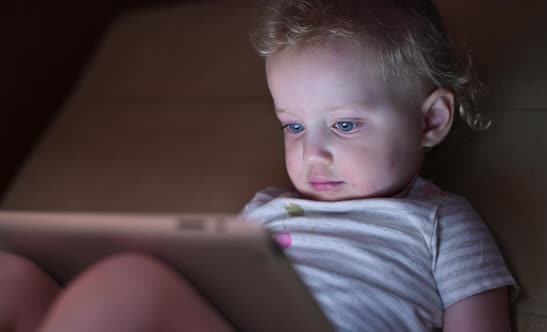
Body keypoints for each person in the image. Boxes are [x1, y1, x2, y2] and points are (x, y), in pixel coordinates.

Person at [0, 1, 515, 331]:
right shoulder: (267, 209)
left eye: (345, 125)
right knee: (12, 278)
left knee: (129, 286)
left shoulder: (441, 223)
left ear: (431, 120)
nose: (312, 153)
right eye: (293, 126)